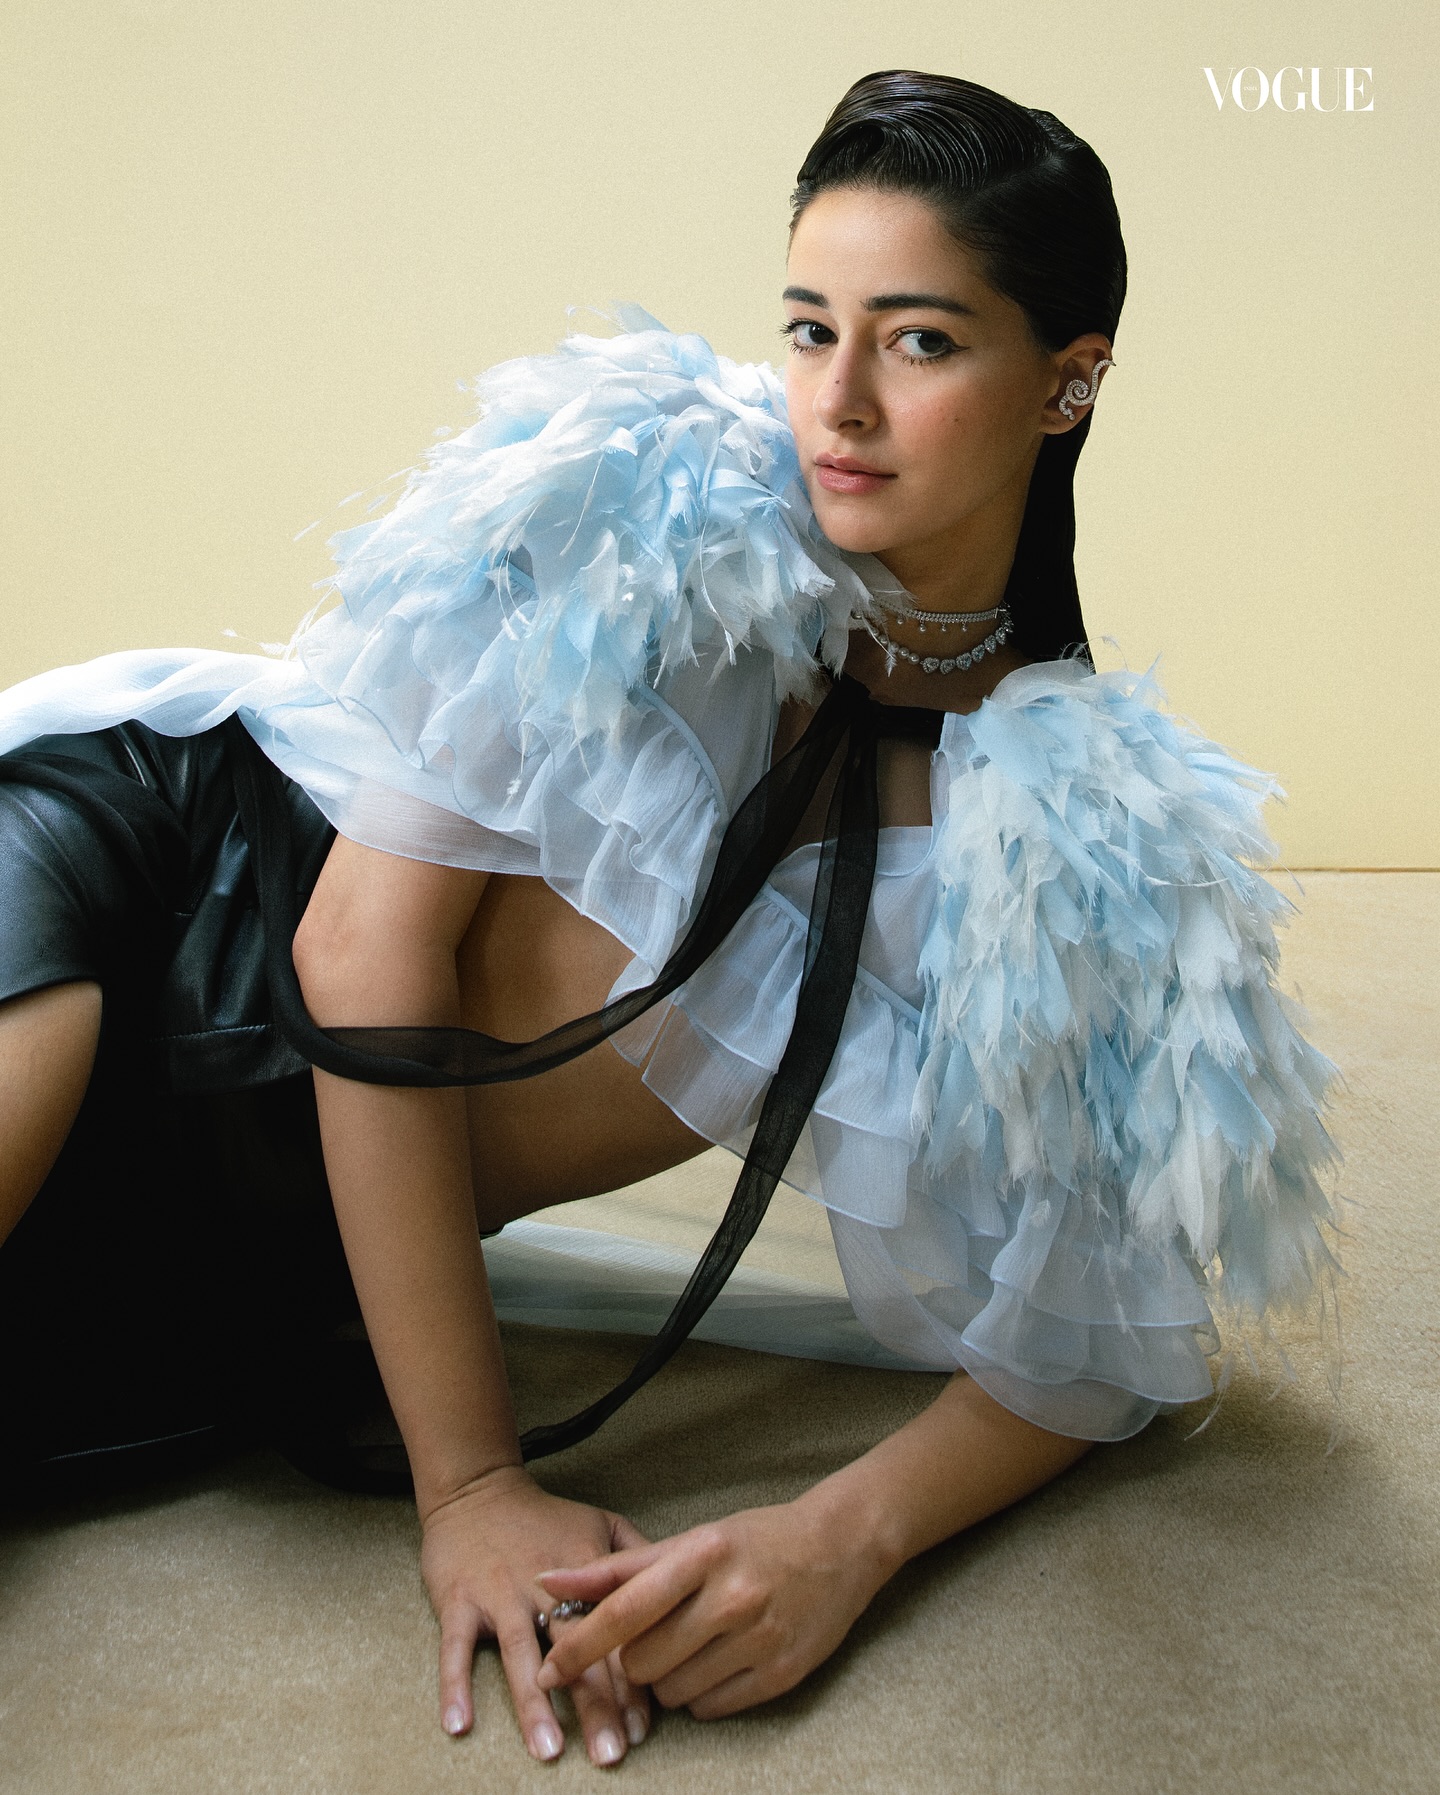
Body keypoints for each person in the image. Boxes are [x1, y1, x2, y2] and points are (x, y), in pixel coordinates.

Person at [0, 71, 1338, 1768]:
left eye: (921, 342)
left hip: (287, 1236)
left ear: (1069, 380)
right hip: (154, 901)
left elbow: (1101, 1329)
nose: (837, 402)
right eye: (811, 328)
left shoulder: (1079, 849)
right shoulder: (664, 520)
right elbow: (358, 947)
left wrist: (838, 1540)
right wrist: (471, 1486)